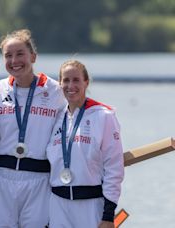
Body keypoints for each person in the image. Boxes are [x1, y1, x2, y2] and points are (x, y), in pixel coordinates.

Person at [0, 29, 66, 227]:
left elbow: (73, 127)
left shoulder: (55, 90)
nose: (14, 60)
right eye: (8, 55)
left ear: (33, 56)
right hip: (1, 177)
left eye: (20, 54)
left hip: (39, 179)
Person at [46, 60, 124, 228]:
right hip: (58, 205)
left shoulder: (104, 116)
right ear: (60, 83)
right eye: (66, 80)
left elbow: (114, 167)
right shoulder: (56, 117)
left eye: (76, 80)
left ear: (86, 82)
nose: (70, 85)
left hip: (91, 205)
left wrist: (109, 215)